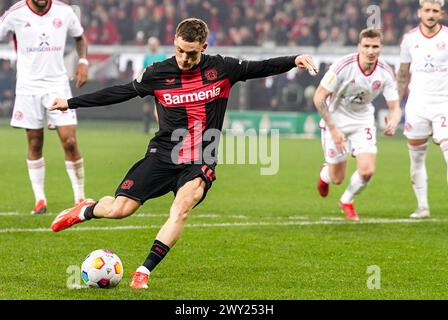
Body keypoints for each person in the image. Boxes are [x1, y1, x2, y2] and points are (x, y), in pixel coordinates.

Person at [48, 18, 318, 289]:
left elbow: (260, 67)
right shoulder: (157, 73)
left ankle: (143, 271)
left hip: (201, 157)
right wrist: (70, 103)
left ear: (204, 46)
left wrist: (294, 59)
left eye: (191, 53)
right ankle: (87, 210)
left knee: (181, 210)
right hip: (163, 153)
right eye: (179, 51)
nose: (185, 59)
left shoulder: (222, 68)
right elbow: (120, 92)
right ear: (174, 43)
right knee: (120, 209)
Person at [0, 0, 89, 214]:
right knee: (35, 143)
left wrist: (83, 62)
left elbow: (80, 38)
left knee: (70, 142)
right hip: (28, 88)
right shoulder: (15, 13)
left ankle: (80, 198)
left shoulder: (65, 12)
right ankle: (40, 200)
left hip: (57, 86)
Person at [314, 28, 402, 221]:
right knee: (337, 178)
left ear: (381, 48)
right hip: (335, 120)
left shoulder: (386, 72)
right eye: (367, 46)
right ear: (359, 47)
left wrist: (394, 121)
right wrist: (333, 128)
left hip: (362, 121)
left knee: (367, 170)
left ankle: (347, 201)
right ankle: (325, 174)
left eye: (375, 47)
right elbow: (319, 97)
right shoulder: (342, 66)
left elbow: (395, 107)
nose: (371, 51)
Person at [397, 0, 448, 219]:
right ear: (419, 13)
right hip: (417, 104)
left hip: (445, 103)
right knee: (417, 158)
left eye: (434, 11)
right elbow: (402, 74)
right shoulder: (409, 39)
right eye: (427, 10)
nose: (430, 14)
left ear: (442, 13)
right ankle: (422, 207)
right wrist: (395, 107)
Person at [142, 36, 166, 133]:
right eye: (150, 44)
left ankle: (162, 128)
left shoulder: (162, 56)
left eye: (153, 44)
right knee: (147, 106)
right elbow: (144, 70)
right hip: (149, 86)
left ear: (157, 44)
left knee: (158, 108)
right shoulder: (146, 57)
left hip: (159, 85)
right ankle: (146, 128)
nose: (152, 46)